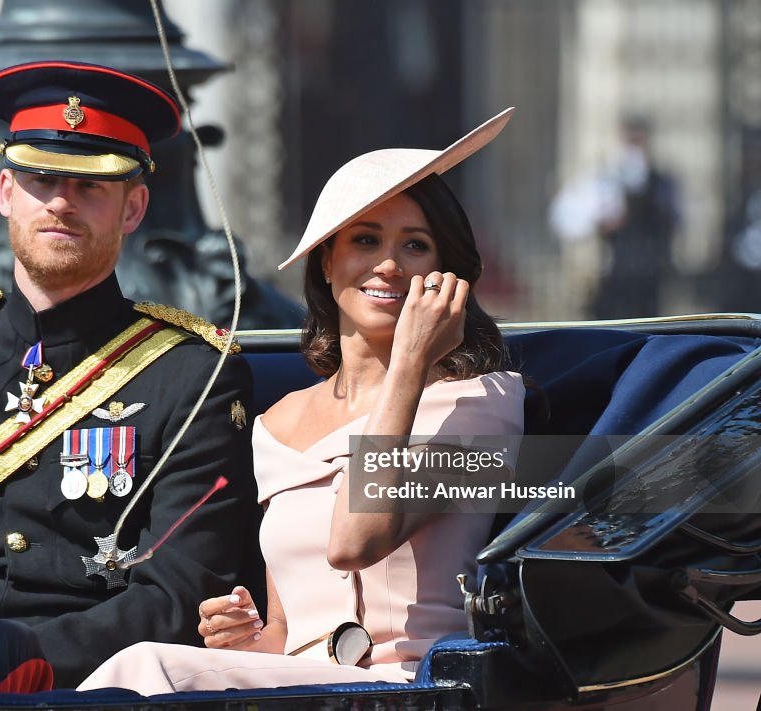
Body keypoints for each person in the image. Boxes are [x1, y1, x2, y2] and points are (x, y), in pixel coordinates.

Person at [78, 109, 525, 694]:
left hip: (415, 687)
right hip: (306, 688)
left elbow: (354, 541)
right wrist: (242, 638)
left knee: (144, 670)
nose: (389, 263)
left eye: (415, 246)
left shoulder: (483, 403)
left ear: (445, 276)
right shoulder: (277, 423)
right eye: (366, 240)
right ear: (328, 261)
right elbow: (285, 632)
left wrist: (411, 363)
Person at [0, 61, 260, 688]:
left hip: (89, 683)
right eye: (42, 178)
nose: (60, 202)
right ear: (4, 193)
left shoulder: (194, 373)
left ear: (133, 208)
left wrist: (21, 657)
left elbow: (179, 588)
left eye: (91, 186)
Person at [549, 114, 680, 319]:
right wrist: (603, 222)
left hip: (649, 273)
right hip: (611, 273)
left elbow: (675, 221)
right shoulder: (601, 181)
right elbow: (568, 219)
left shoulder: (662, 183)